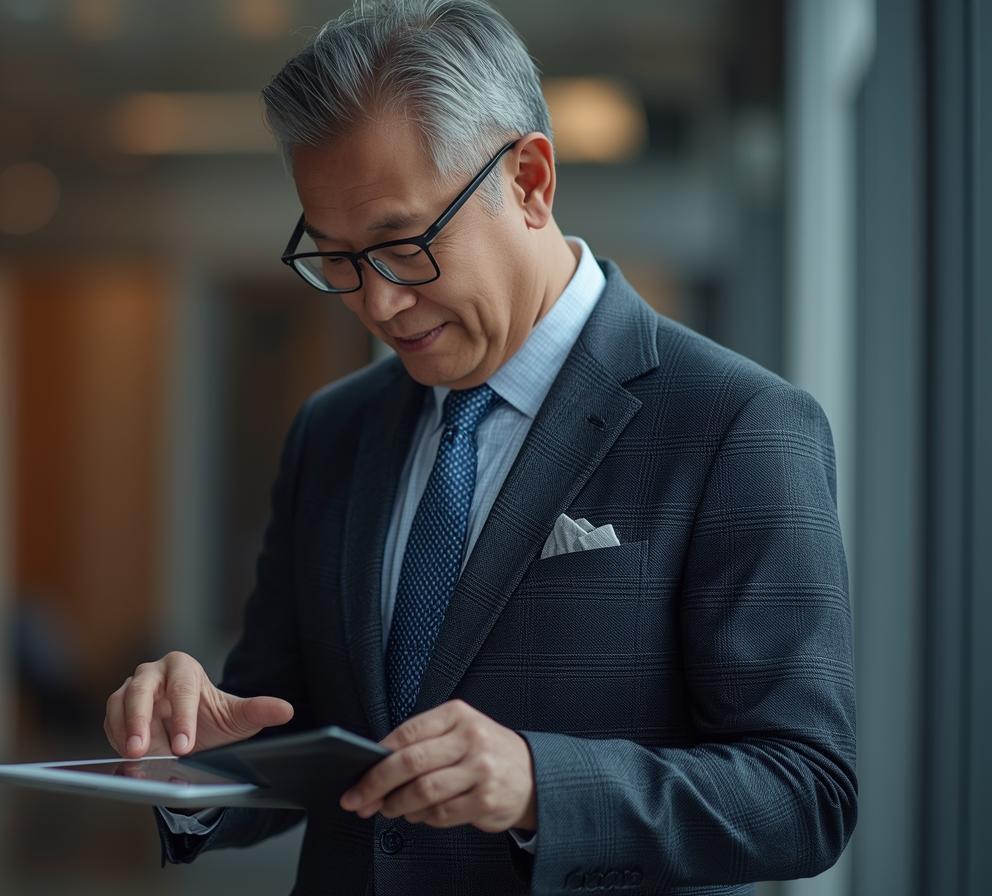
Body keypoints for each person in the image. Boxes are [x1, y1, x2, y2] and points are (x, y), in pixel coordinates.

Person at [100, 1, 856, 892]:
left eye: (401, 245)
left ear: (530, 181)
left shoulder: (735, 424)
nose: (376, 305)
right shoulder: (332, 432)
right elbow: (294, 731)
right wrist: (191, 754)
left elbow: (805, 793)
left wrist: (541, 786)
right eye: (336, 258)